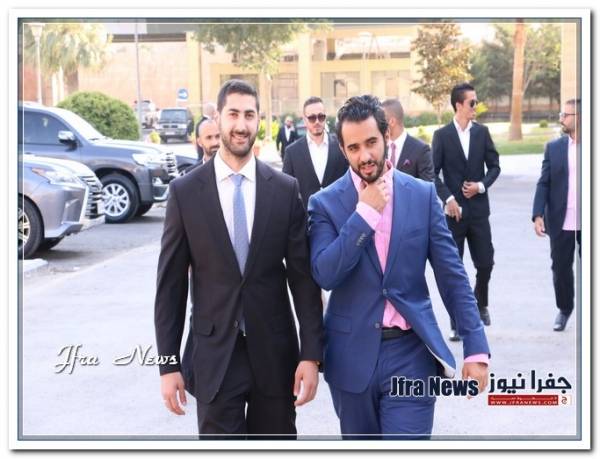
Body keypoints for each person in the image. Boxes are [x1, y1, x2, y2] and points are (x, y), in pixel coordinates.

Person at [307, 95, 489, 439]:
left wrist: (475, 345)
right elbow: (325, 273)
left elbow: (452, 275)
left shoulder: (421, 195)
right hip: (351, 357)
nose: (365, 155)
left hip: (411, 353)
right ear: (343, 150)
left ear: (387, 136)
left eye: (371, 143)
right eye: (354, 148)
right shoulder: (324, 203)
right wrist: (364, 215)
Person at [154, 79, 323, 439]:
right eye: (233, 114)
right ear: (217, 118)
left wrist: (311, 355)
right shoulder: (185, 193)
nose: (241, 124)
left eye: (249, 115)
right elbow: (170, 288)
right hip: (214, 358)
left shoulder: (284, 190)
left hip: (274, 358)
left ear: (259, 119)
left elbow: (303, 280)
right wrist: (167, 365)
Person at [432, 83, 500, 341]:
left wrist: (481, 185)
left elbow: (494, 166)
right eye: (472, 102)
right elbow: (432, 174)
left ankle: (480, 302)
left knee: (486, 263)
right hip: (454, 216)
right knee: (454, 271)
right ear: (458, 105)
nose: (475, 106)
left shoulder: (482, 133)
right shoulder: (442, 135)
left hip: (479, 212)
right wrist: (448, 198)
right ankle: (456, 322)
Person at [532, 98, 581, 332]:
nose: (561, 118)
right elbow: (544, 183)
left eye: (566, 115)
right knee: (561, 269)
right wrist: (537, 214)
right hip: (561, 219)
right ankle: (564, 309)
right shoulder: (554, 148)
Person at [283, 96, 347, 209]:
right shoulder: (292, 152)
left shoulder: (341, 146)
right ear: (304, 120)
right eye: (312, 118)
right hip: (306, 216)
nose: (317, 121)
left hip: (338, 214)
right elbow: (286, 190)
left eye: (321, 117)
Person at [381, 98, 434, 181]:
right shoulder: (380, 148)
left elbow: (427, 185)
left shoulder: (421, 150)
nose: (378, 125)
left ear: (392, 122)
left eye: (381, 121)